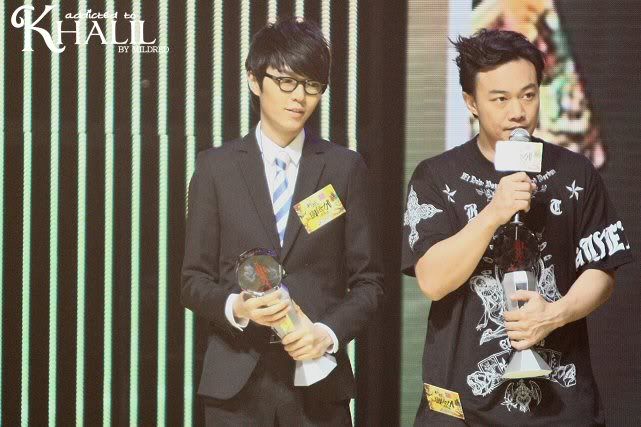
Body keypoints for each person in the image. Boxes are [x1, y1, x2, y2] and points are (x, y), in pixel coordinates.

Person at [402, 29, 632, 425]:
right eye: (500, 99)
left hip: (560, 407)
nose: (518, 112)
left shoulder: (575, 173)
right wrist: (493, 213)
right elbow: (432, 281)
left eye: (528, 95)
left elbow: (603, 271)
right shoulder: (436, 177)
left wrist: (555, 313)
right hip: (461, 409)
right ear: (471, 102)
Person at [181, 17, 383, 426]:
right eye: (287, 82)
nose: (299, 97)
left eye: (312, 85)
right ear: (254, 80)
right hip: (235, 387)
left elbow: (370, 283)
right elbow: (193, 280)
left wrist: (327, 333)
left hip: (318, 383)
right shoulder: (215, 168)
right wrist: (238, 307)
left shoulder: (343, 169)